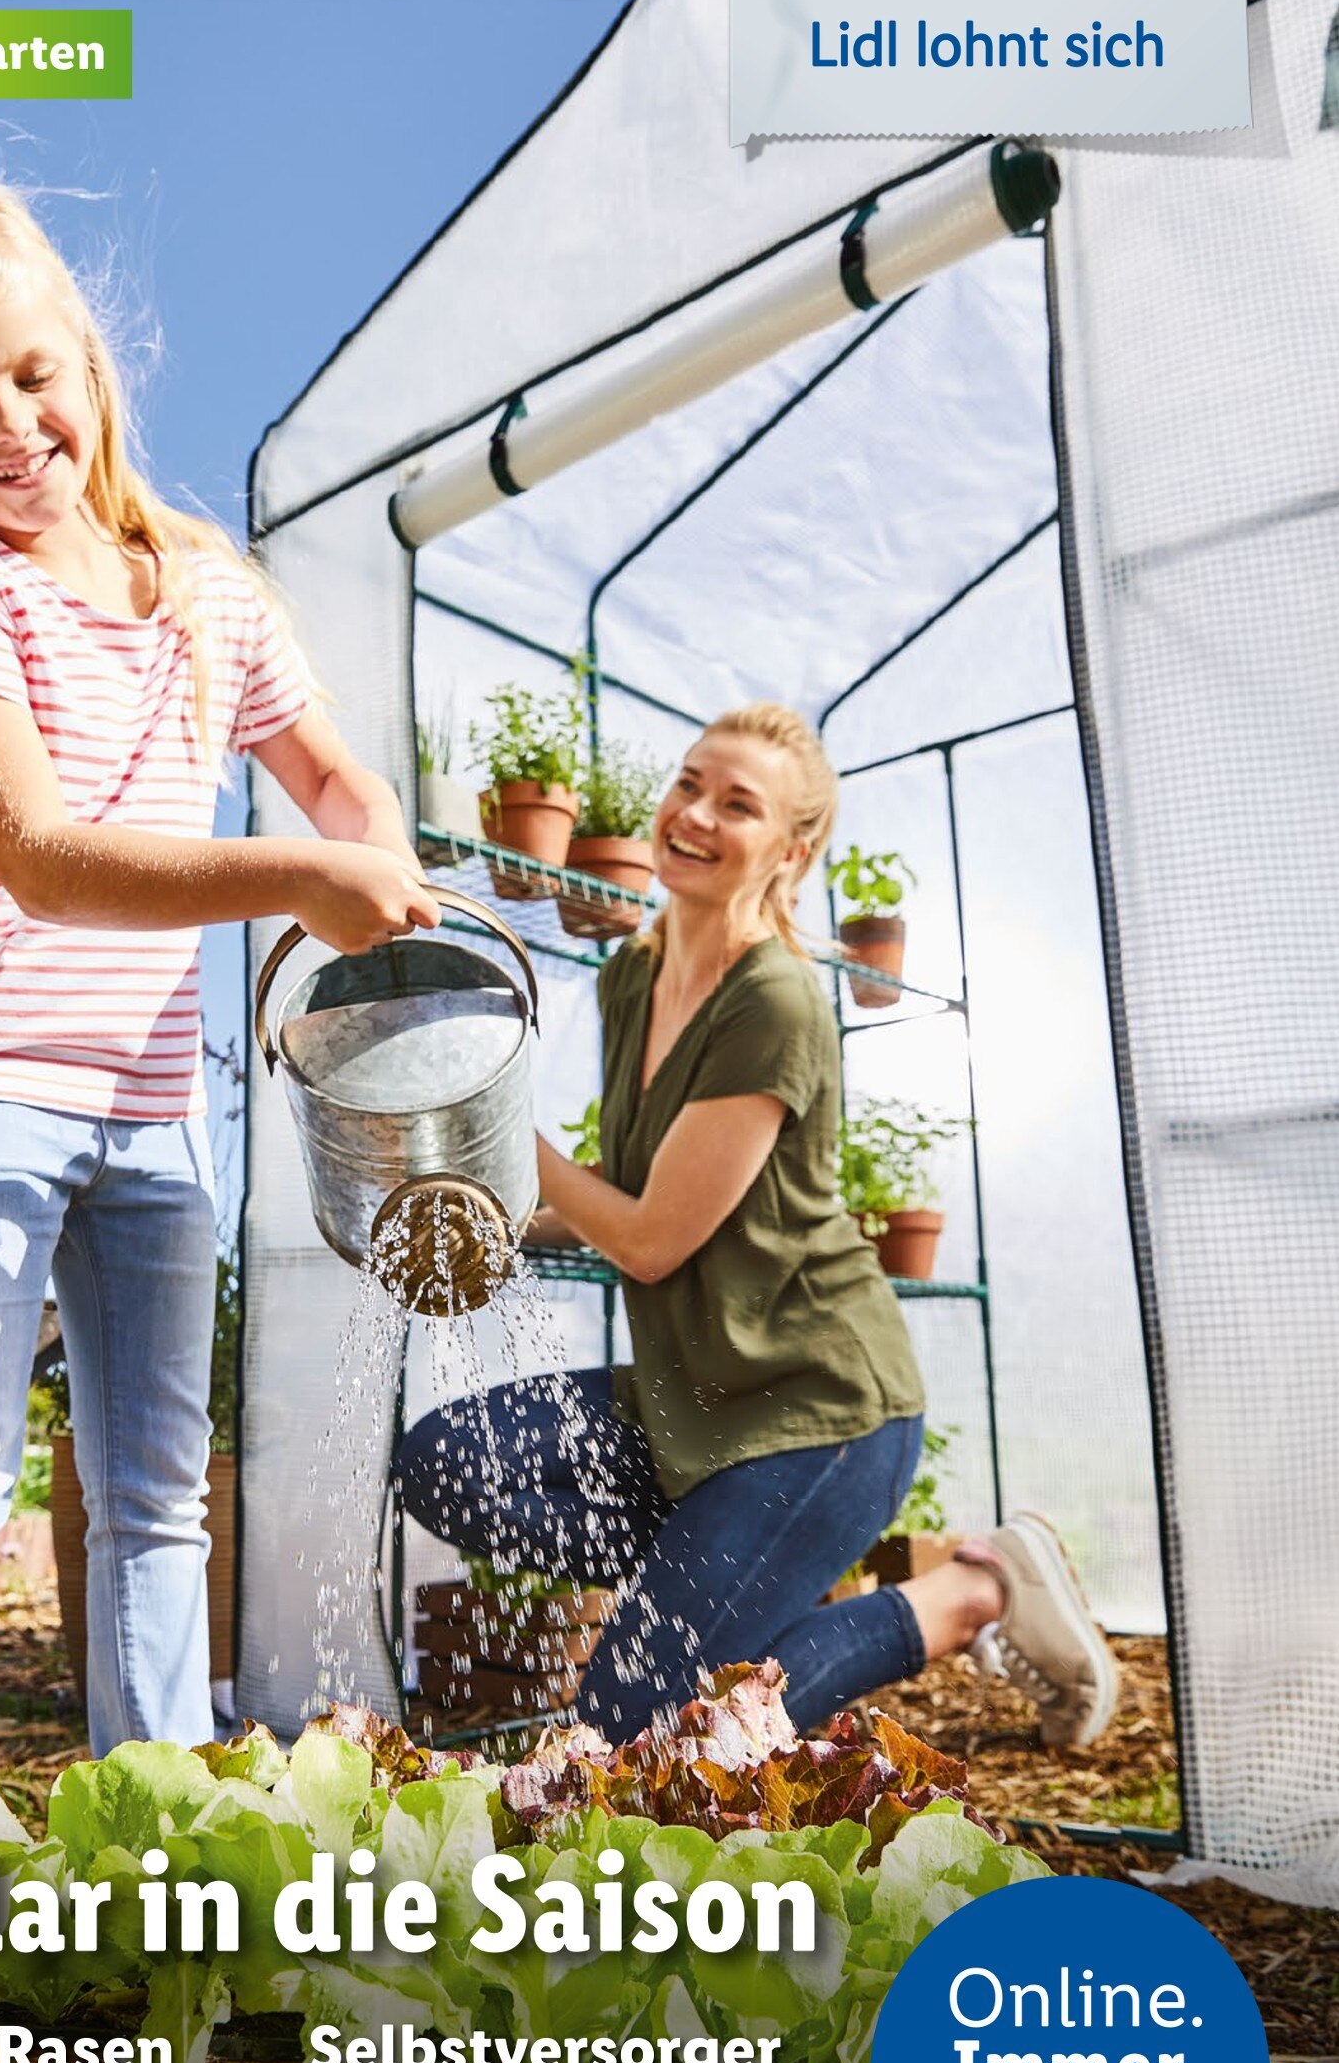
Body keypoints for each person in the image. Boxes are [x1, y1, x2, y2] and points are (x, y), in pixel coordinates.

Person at [0, 178, 437, 2056]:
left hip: (154, 1115)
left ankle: (158, 1884)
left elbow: (337, 778)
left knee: (157, 1497)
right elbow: (45, 858)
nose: (9, 429)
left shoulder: (209, 589)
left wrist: (368, 850)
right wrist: (298, 878)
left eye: (31, 378)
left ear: (89, 358)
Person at [398, 701, 1117, 1752]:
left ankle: (967, 1594)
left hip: (816, 1408)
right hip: (693, 1394)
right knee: (447, 1459)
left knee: (635, 1731)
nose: (694, 814)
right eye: (688, 784)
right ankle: (719, 1587)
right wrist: (494, 1225)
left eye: (737, 805)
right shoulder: (632, 979)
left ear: (792, 849)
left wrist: (500, 1123)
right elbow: (638, 1189)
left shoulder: (773, 1001)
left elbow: (651, 1242)